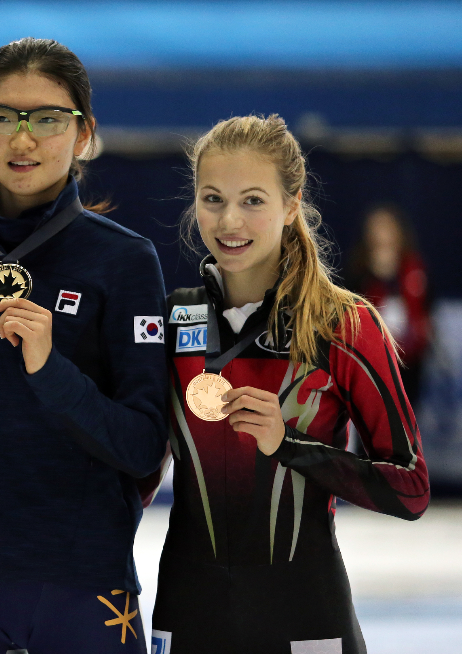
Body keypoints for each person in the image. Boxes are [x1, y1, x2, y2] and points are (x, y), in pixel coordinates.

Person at [0, 37, 169, 654]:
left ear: (83, 134)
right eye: (3, 117)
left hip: (85, 583)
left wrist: (51, 370)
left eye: (48, 119)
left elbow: (141, 444)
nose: (23, 140)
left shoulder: (124, 260)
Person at [141, 115, 429, 654]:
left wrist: (289, 445)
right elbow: (137, 466)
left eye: (253, 200)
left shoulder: (344, 326)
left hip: (303, 610)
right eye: (212, 198)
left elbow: (410, 489)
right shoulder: (172, 319)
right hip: (188, 605)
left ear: (292, 204)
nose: (230, 220)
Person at [346, 203, 431, 406]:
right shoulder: (358, 270)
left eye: (387, 228)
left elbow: (426, 306)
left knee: (407, 414)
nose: (382, 235)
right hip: (373, 360)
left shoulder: (414, 268)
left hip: (409, 359)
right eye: (376, 228)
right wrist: (377, 276)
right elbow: (351, 308)